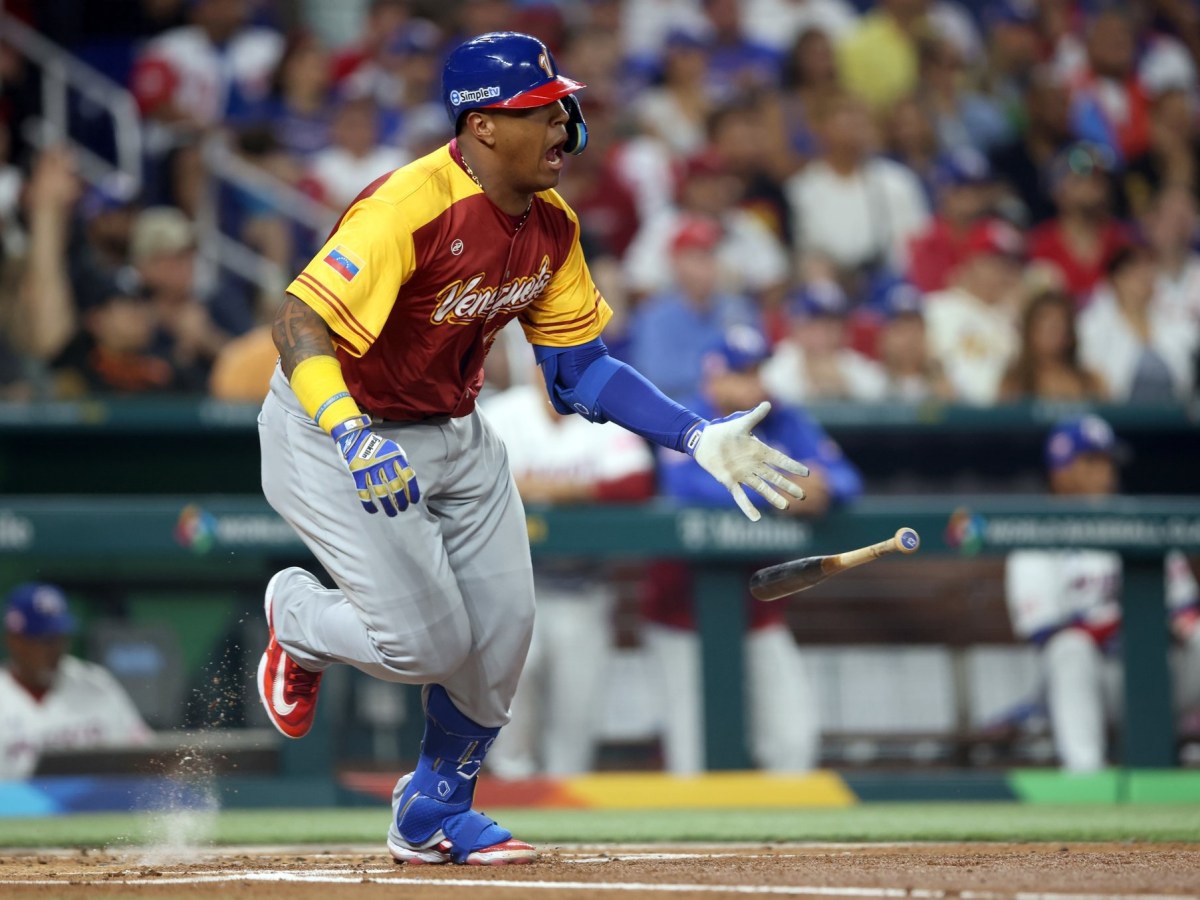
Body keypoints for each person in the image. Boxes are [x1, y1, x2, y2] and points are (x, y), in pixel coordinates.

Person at [254, 31, 808, 867]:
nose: (562, 123)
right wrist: (348, 429)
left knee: (505, 628)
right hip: (334, 426)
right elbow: (298, 320)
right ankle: (297, 620)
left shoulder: (552, 223)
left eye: (561, 106)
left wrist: (691, 435)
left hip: (454, 430)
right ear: (480, 126)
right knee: (427, 647)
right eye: (538, 110)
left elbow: (580, 370)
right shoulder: (408, 205)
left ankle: (433, 810)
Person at [651, 325, 863, 773]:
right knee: (692, 748)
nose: (753, 383)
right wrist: (784, 492)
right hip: (682, 607)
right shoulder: (685, 416)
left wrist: (823, 490)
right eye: (740, 372)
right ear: (713, 378)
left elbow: (845, 478)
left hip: (759, 603)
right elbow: (685, 485)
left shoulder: (782, 417)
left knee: (792, 739)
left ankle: (789, 842)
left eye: (757, 370)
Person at [481, 359, 655, 778]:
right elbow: (466, 479)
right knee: (511, 711)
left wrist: (553, 489)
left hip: (583, 588)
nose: (559, 378)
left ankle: (566, 806)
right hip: (514, 588)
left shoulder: (603, 414)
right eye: (548, 367)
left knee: (576, 714)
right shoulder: (503, 414)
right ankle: (511, 799)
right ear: (532, 371)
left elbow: (637, 483)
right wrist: (576, 493)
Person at [1005, 416, 1200, 772]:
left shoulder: (1139, 521)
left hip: (1157, 670)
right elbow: (1046, 631)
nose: (1105, 472)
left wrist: (1172, 626)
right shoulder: (1035, 532)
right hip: (1093, 680)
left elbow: (1185, 606)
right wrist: (1123, 622)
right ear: (1060, 471)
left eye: (1108, 461)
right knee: (1069, 651)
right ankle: (1086, 777)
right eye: (1092, 461)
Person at [0, 583, 151, 779]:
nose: (56, 649)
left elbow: (144, 755)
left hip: (97, 804)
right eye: (46, 640)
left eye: (61, 638)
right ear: (15, 640)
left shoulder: (96, 683)